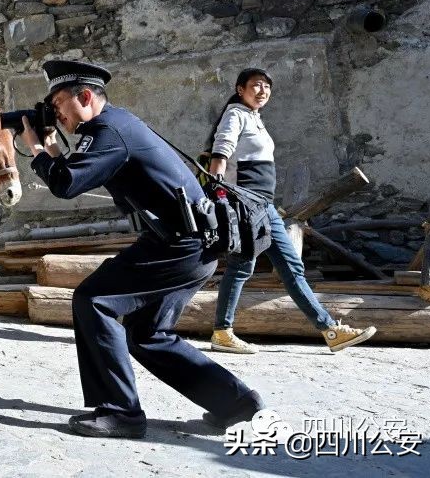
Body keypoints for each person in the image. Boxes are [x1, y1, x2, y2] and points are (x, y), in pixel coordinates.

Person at [20, 60, 263, 439]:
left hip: (179, 244)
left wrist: (37, 150)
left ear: (85, 96)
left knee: (93, 300)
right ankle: (237, 404)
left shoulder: (107, 131)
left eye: (57, 104)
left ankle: (121, 414)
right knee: (149, 334)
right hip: (193, 242)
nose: (55, 114)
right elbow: (73, 172)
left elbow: (66, 184)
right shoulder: (116, 125)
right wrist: (52, 149)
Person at [207, 68, 377, 354]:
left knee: (291, 266)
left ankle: (329, 330)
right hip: (246, 203)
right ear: (240, 90)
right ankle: (222, 332)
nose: (262, 91)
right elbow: (221, 149)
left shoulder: (255, 118)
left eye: (266, 87)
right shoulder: (235, 114)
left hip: (265, 206)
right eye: (256, 86)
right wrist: (219, 188)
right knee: (241, 266)